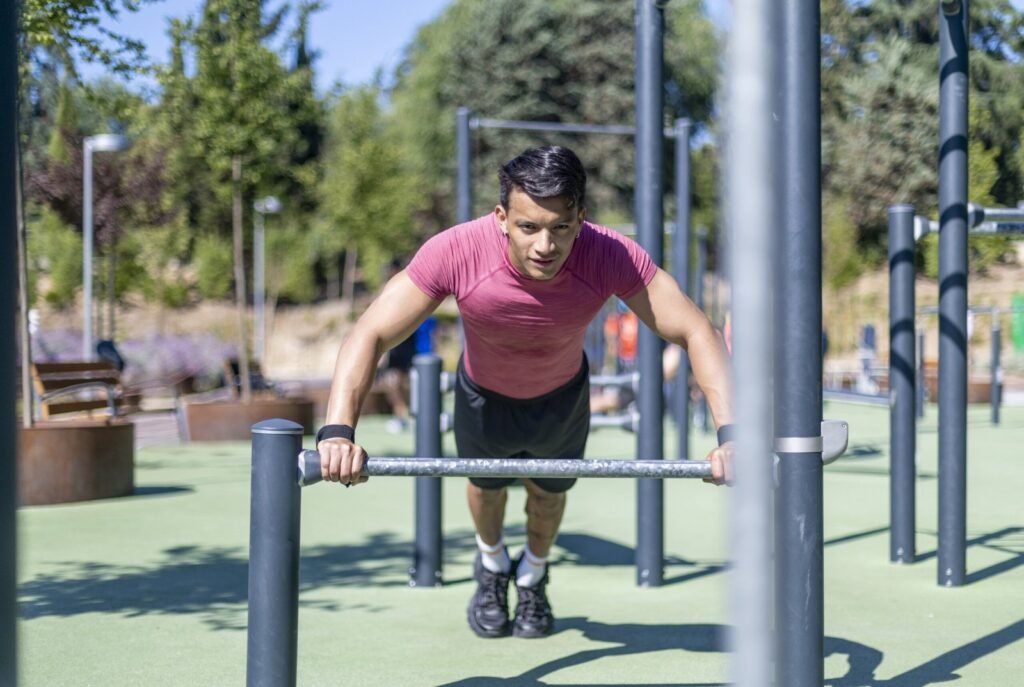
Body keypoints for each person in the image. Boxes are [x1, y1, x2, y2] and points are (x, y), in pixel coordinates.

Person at [317, 146, 734, 640]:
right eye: (528, 227)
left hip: (560, 397)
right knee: (486, 491)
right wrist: (338, 431)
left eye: (560, 228)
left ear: (581, 218)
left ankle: (533, 574)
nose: (544, 245)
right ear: (501, 218)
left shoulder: (610, 253)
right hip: (482, 395)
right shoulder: (457, 250)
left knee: (547, 497)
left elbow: (696, 331)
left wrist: (732, 435)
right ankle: (492, 566)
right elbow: (371, 332)